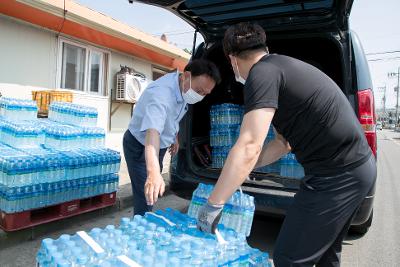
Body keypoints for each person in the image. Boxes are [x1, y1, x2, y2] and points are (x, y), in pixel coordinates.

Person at [197, 22, 376, 267]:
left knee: (288, 258)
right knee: (326, 255)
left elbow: (249, 144)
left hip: (336, 175)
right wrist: (244, 169)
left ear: (233, 60)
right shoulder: (280, 67)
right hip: (354, 169)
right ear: (265, 47)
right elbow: (283, 144)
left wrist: (213, 204)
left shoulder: (261, 74)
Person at [123, 59, 221, 216]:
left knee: (153, 189)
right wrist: (153, 171)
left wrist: (174, 136)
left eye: (205, 94)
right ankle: (141, 229)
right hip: (139, 144)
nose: (200, 96)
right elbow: (152, 131)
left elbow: (174, 115)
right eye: (199, 90)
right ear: (187, 76)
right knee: (146, 192)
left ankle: (145, 218)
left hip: (159, 146)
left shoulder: (183, 87)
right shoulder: (161, 94)